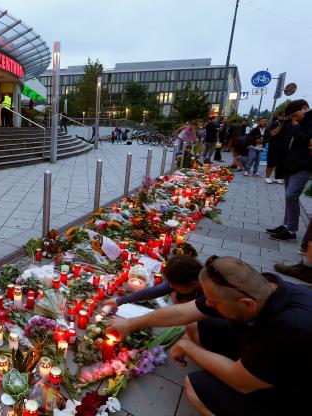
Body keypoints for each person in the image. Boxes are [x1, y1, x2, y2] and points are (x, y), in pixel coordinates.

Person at [107, 256, 312, 416]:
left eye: (213, 302)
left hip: (292, 392)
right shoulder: (264, 288)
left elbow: (240, 381)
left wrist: (189, 348)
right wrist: (129, 324)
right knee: (206, 327)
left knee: (196, 387)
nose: (208, 304)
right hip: (266, 349)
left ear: (247, 304)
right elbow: (182, 312)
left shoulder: (291, 328)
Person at [267, 99, 312, 241]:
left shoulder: (309, 122)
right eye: (292, 116)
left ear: (304, 108)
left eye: (295, 115)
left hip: (303, 165)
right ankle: (286, 224)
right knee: (288, 195)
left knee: (291, 195)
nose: (294, 118)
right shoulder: (300, 123)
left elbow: (306, 139)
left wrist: (297, 126)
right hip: (291, 164)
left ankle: (291, 230)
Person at [103, 255, 202, 308]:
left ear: (193, 284)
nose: (170, 287)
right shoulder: (188, 279)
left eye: (174, 285)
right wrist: (119, 300)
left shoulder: (205, 300)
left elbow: (176, 315)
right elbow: (155, 291)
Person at [264, 112, 289, 184]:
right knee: (271, 162)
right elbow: (273, 133)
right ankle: (268, 177)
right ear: (278, 116)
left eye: (284, 116)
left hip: (284, 147)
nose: (283, 118)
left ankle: (278, 177)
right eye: (282, 116)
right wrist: (280, 125)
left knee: (281, 163)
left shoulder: (287, 125)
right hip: (274, 147)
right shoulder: (274, 123)